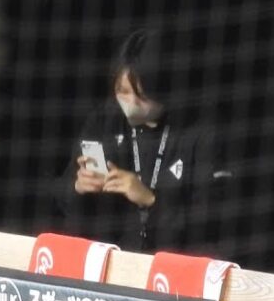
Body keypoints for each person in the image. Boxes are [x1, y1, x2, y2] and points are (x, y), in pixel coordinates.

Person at [56, 27, 231, 254]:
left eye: (141, 95)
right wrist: (78, 188)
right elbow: (62, 195)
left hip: (175, 260)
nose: (130, 103)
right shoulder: (104, 120)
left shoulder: (202, 131)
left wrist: (150, 199)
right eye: (122, 91)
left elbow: (213, 221)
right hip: (114, 255)